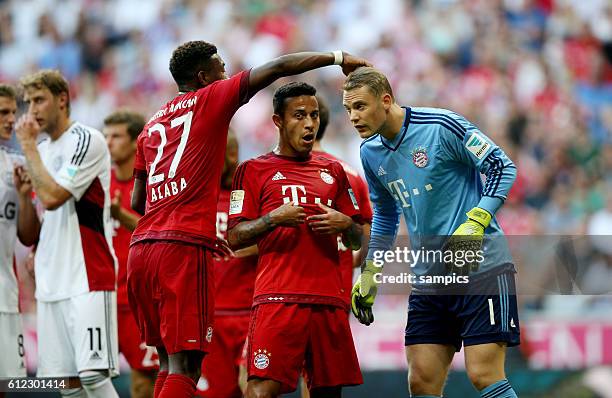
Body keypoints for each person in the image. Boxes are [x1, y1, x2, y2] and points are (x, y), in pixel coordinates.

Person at [127, 40, 370, 398]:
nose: (226, 74)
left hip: (142, 248)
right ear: (203, 75)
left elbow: (138, 200)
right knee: (187, 368)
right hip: (182, 247)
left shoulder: (153, 122)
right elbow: (278, 66)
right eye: (220, 67)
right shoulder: (210, 100)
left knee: (168, 364)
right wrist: (338, 58)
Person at [344, 67, 520, 397]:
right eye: (348, 109)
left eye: (360, 106)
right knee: (421, 381)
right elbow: (385, 214)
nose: (353, 117)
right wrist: (371, 271)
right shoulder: (371, 152)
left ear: (386, 100)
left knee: (484, 375)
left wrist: (476, 222)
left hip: (482, 269)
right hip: (430, 280)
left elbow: (501, 166)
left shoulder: (441, 126)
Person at [227, 82, 364, 398]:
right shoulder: (252, 170)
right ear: (278, 121)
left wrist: (345, 224)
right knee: (259, 390)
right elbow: (234, 237)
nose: (309, 123)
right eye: (299, 115)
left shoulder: (335, 171)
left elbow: (357, 239)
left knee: (327, 393)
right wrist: (274, 218)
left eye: (314, 115)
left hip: (329, 300)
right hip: (279, 297)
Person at [15, 70, 119, 398]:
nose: (32, 110)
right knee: (66, 387)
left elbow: (54, 196)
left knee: (92, 377)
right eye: (29, 102)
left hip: (86, 274)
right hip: (49, 280)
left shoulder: (86, 139)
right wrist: (22, 196)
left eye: (40, 99)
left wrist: (29, 147)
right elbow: (29, 233)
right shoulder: (42, 152)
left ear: (62, 99)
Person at [196, 132, 257, 398]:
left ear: (231, 155)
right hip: (212, 316)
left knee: (255, 389)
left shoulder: (254, 193)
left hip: (251, 313)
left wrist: (242, 247)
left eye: (211, 158)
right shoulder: (199, 197)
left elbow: (276, 238)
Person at [103, 110, 159, 398]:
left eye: (116, 136)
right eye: (105, 136)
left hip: (138, 300)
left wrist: (119, 214)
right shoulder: (98, 183)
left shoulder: (152, 185)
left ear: (136, 140)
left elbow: (160, 231)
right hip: (101, 297)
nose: (108, 143)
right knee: (90, 379)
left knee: (144, 383)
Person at [312, 95, 373, 295]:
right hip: (337, 292)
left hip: (281, 296)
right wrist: (351, 264)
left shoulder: (270, 171)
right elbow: (370, 236)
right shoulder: (351, 174)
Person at [0, 84, 39, 383]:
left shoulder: (17, 166)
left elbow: (27, 236)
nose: (11, 119)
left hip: (6, 296)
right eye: (3, 112)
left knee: (6, 381)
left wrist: (25, 197)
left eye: (14, 112)